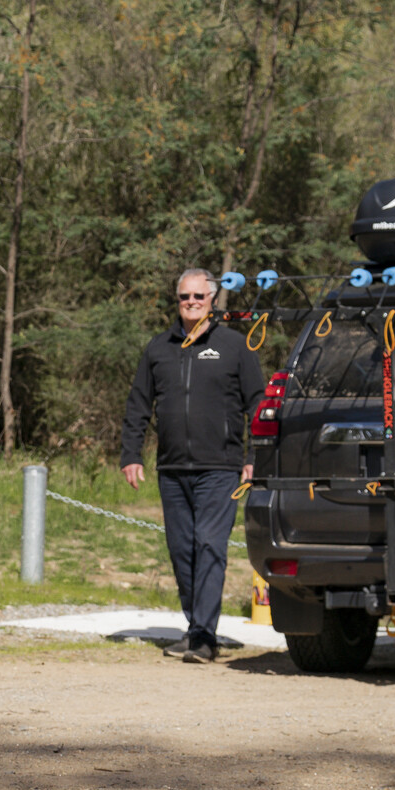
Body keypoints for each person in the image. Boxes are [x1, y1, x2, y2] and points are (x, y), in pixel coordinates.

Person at [119, 267, 263, 663]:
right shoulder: (158, 348)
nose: (192, 303)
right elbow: (137, 406)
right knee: (182, 550)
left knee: (209, 545)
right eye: (185, 297)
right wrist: (131, 454)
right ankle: (195, 626)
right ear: (177, 300)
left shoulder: (235, 346)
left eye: (199, 297)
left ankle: (204, 635)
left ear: (213, 300)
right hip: (172, 469)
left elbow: (259, 407)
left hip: (221, 467)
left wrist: (255, 458)